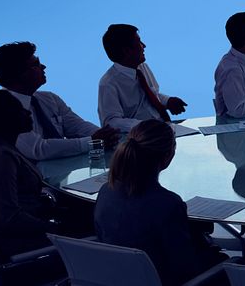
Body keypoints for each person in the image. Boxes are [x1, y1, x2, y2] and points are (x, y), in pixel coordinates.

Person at [95, 120, 226, 286]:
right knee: (224, 259)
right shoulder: (168, 204)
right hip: (163, 280)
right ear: (168, 157)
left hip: (119, 278)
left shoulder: (106, 192)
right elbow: (185, 268)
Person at [0, 41, 117, 160]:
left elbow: (77, 126)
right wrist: (92, 142)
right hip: (26, 180)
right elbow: (38, 149)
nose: (43, 66)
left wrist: (105, 135)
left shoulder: (50, 99)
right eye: (36, 64)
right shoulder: (2, 109)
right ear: (20, 74)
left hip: (63, 175)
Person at [0, 90, 55, 261]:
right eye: (19, 110)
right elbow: (10, 218)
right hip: (22, 244)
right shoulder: (2, 156)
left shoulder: (6, 149)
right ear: (4, 119)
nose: (28, 112)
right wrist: (58, 228)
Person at [98, 24, 188, 131]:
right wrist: (145, 126)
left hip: (162, 129)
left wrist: (168, 101)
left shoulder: (142, 67)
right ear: (126, 51)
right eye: (139, 42)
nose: (144, 46)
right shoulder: (108, 83)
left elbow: (151, 95)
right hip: (137, 140)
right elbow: (112, 122)